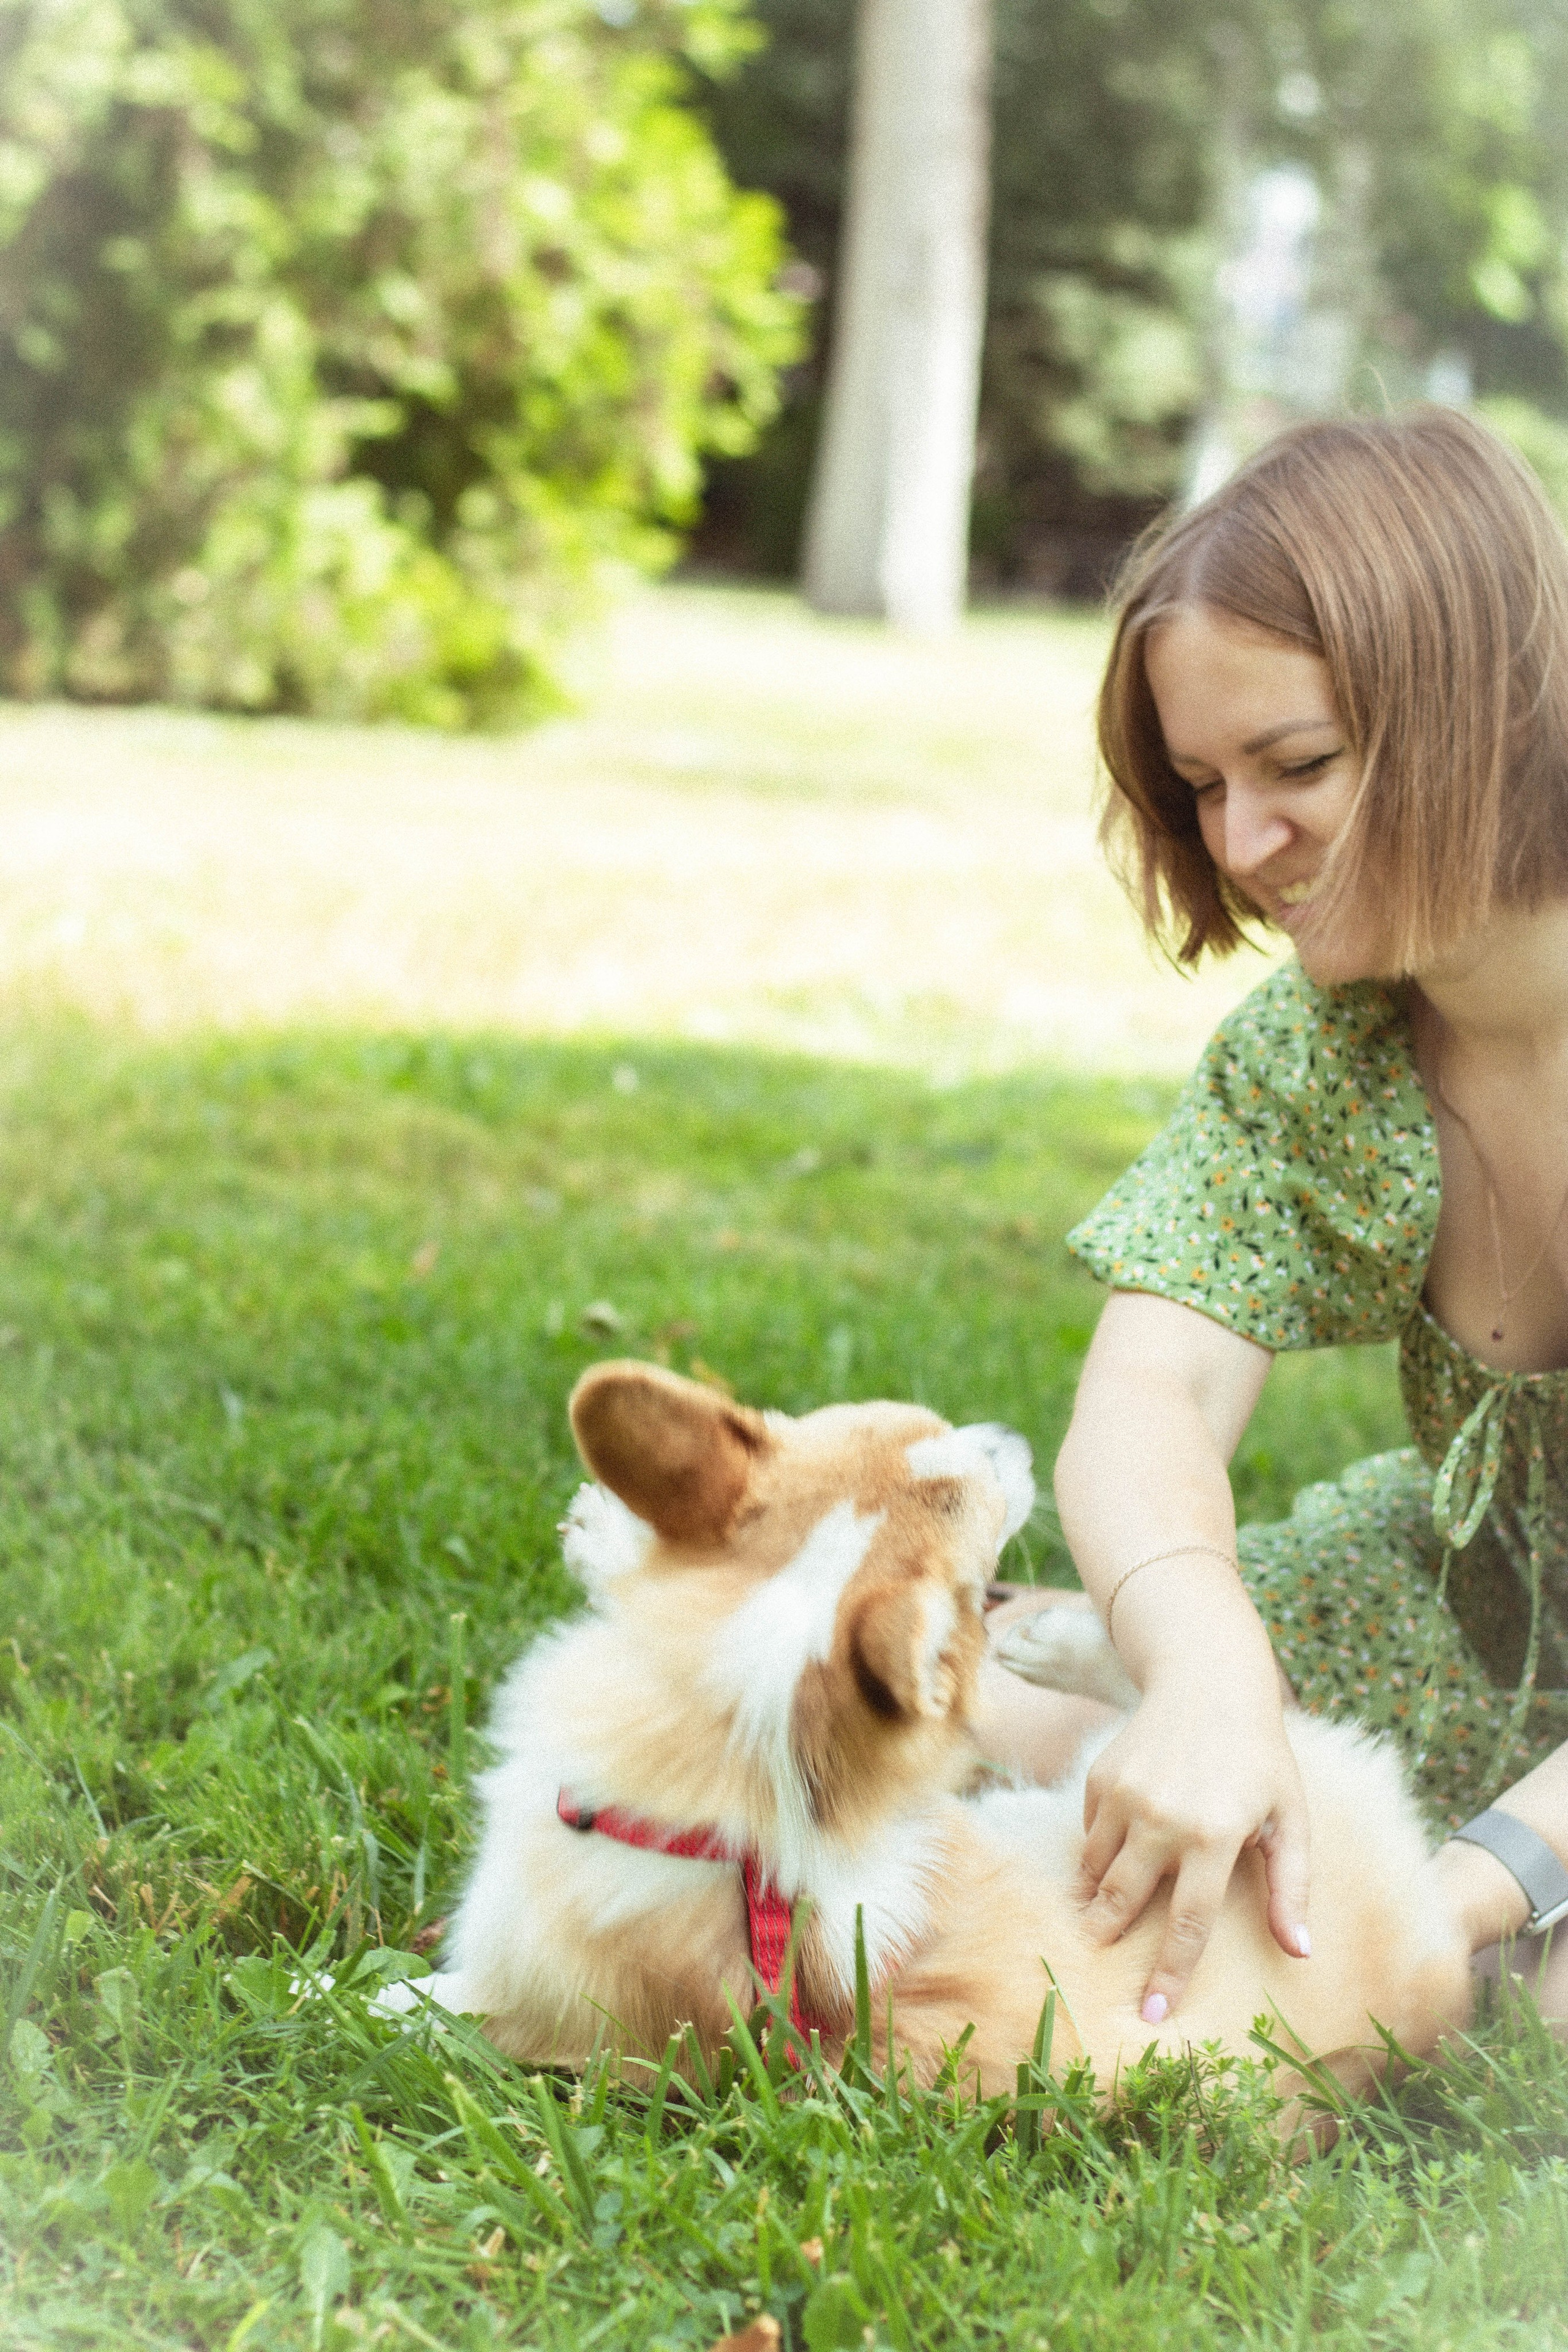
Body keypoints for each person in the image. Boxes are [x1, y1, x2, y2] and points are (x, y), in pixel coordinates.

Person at [977, 407, 1568, 2037]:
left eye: (1296, 767)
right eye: (1204, 787)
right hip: (1455, 1615)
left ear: (1482, 706)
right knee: (961, 1682)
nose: (1241, 848)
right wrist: (1210, 1678)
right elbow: (1149, 1394)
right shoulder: (1333, 1051)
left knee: (1514, 1991)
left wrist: (1448, 1898)